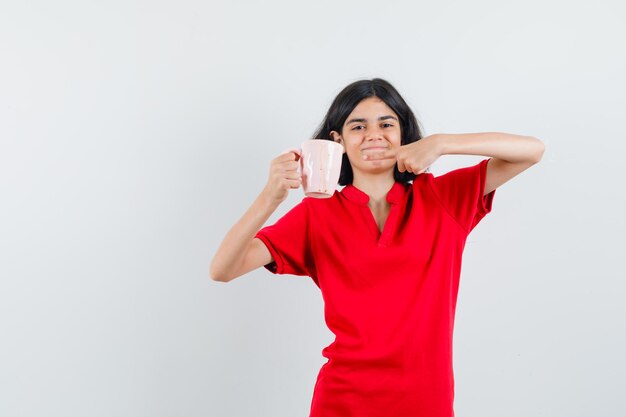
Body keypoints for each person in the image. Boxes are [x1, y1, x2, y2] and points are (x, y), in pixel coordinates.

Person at [210, 78, 545, 417]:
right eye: (358, 126)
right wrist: (271, 197)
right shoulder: (316, 214)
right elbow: (223, 269)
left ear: (404, 134)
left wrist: (442, 143)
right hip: (341, 401)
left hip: (426, 402)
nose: (374, 134)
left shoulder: (442, 199)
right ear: (337, 141)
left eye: (386, 123)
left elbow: (532, 151)